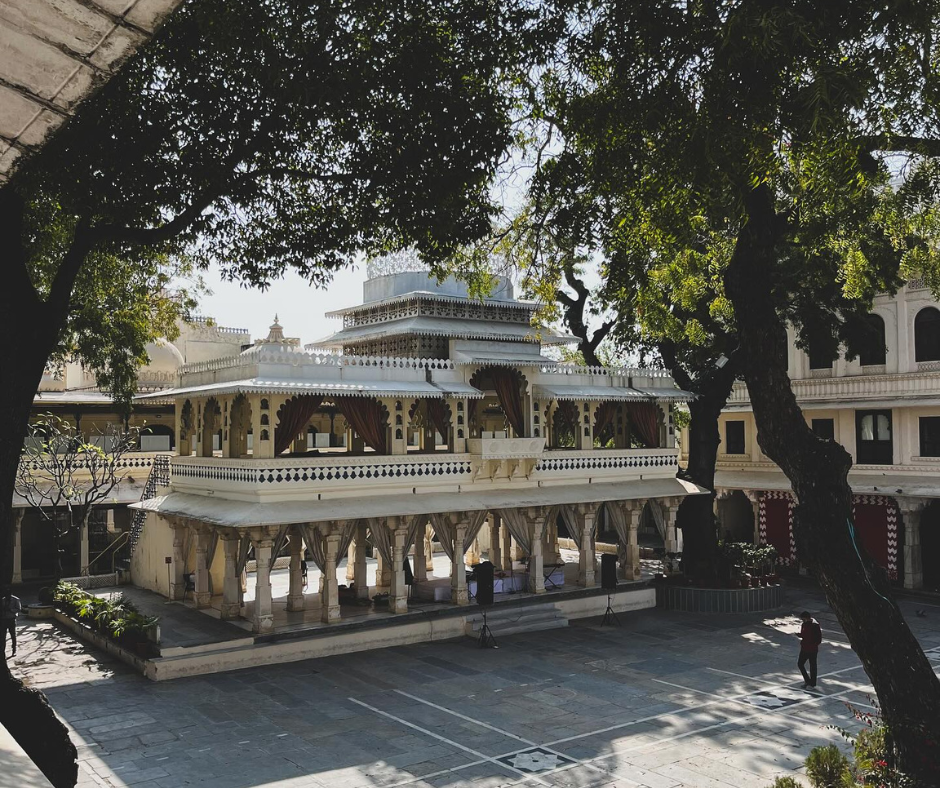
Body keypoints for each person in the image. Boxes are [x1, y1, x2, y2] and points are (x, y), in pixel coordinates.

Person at [798, 610, 822, 689]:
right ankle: (807, 680)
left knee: (813, 666)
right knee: (800, 664)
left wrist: (813, 644)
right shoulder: (804, 625)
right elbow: (804, 634)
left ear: (807, 618)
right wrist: (799, 635)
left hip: (812, 649)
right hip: (804, 648)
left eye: (803, 619)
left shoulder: (815, 625)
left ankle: (812, 683)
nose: (803, 621)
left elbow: (819, 639)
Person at [1, 589, 22, 658]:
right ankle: (2, 650)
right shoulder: (3, 599)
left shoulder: (16, 600)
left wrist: (10, 610)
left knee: (13, 635)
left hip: (11, 619)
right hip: (4, 619)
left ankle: (14, 649)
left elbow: (19, 609)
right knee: (3, 636)